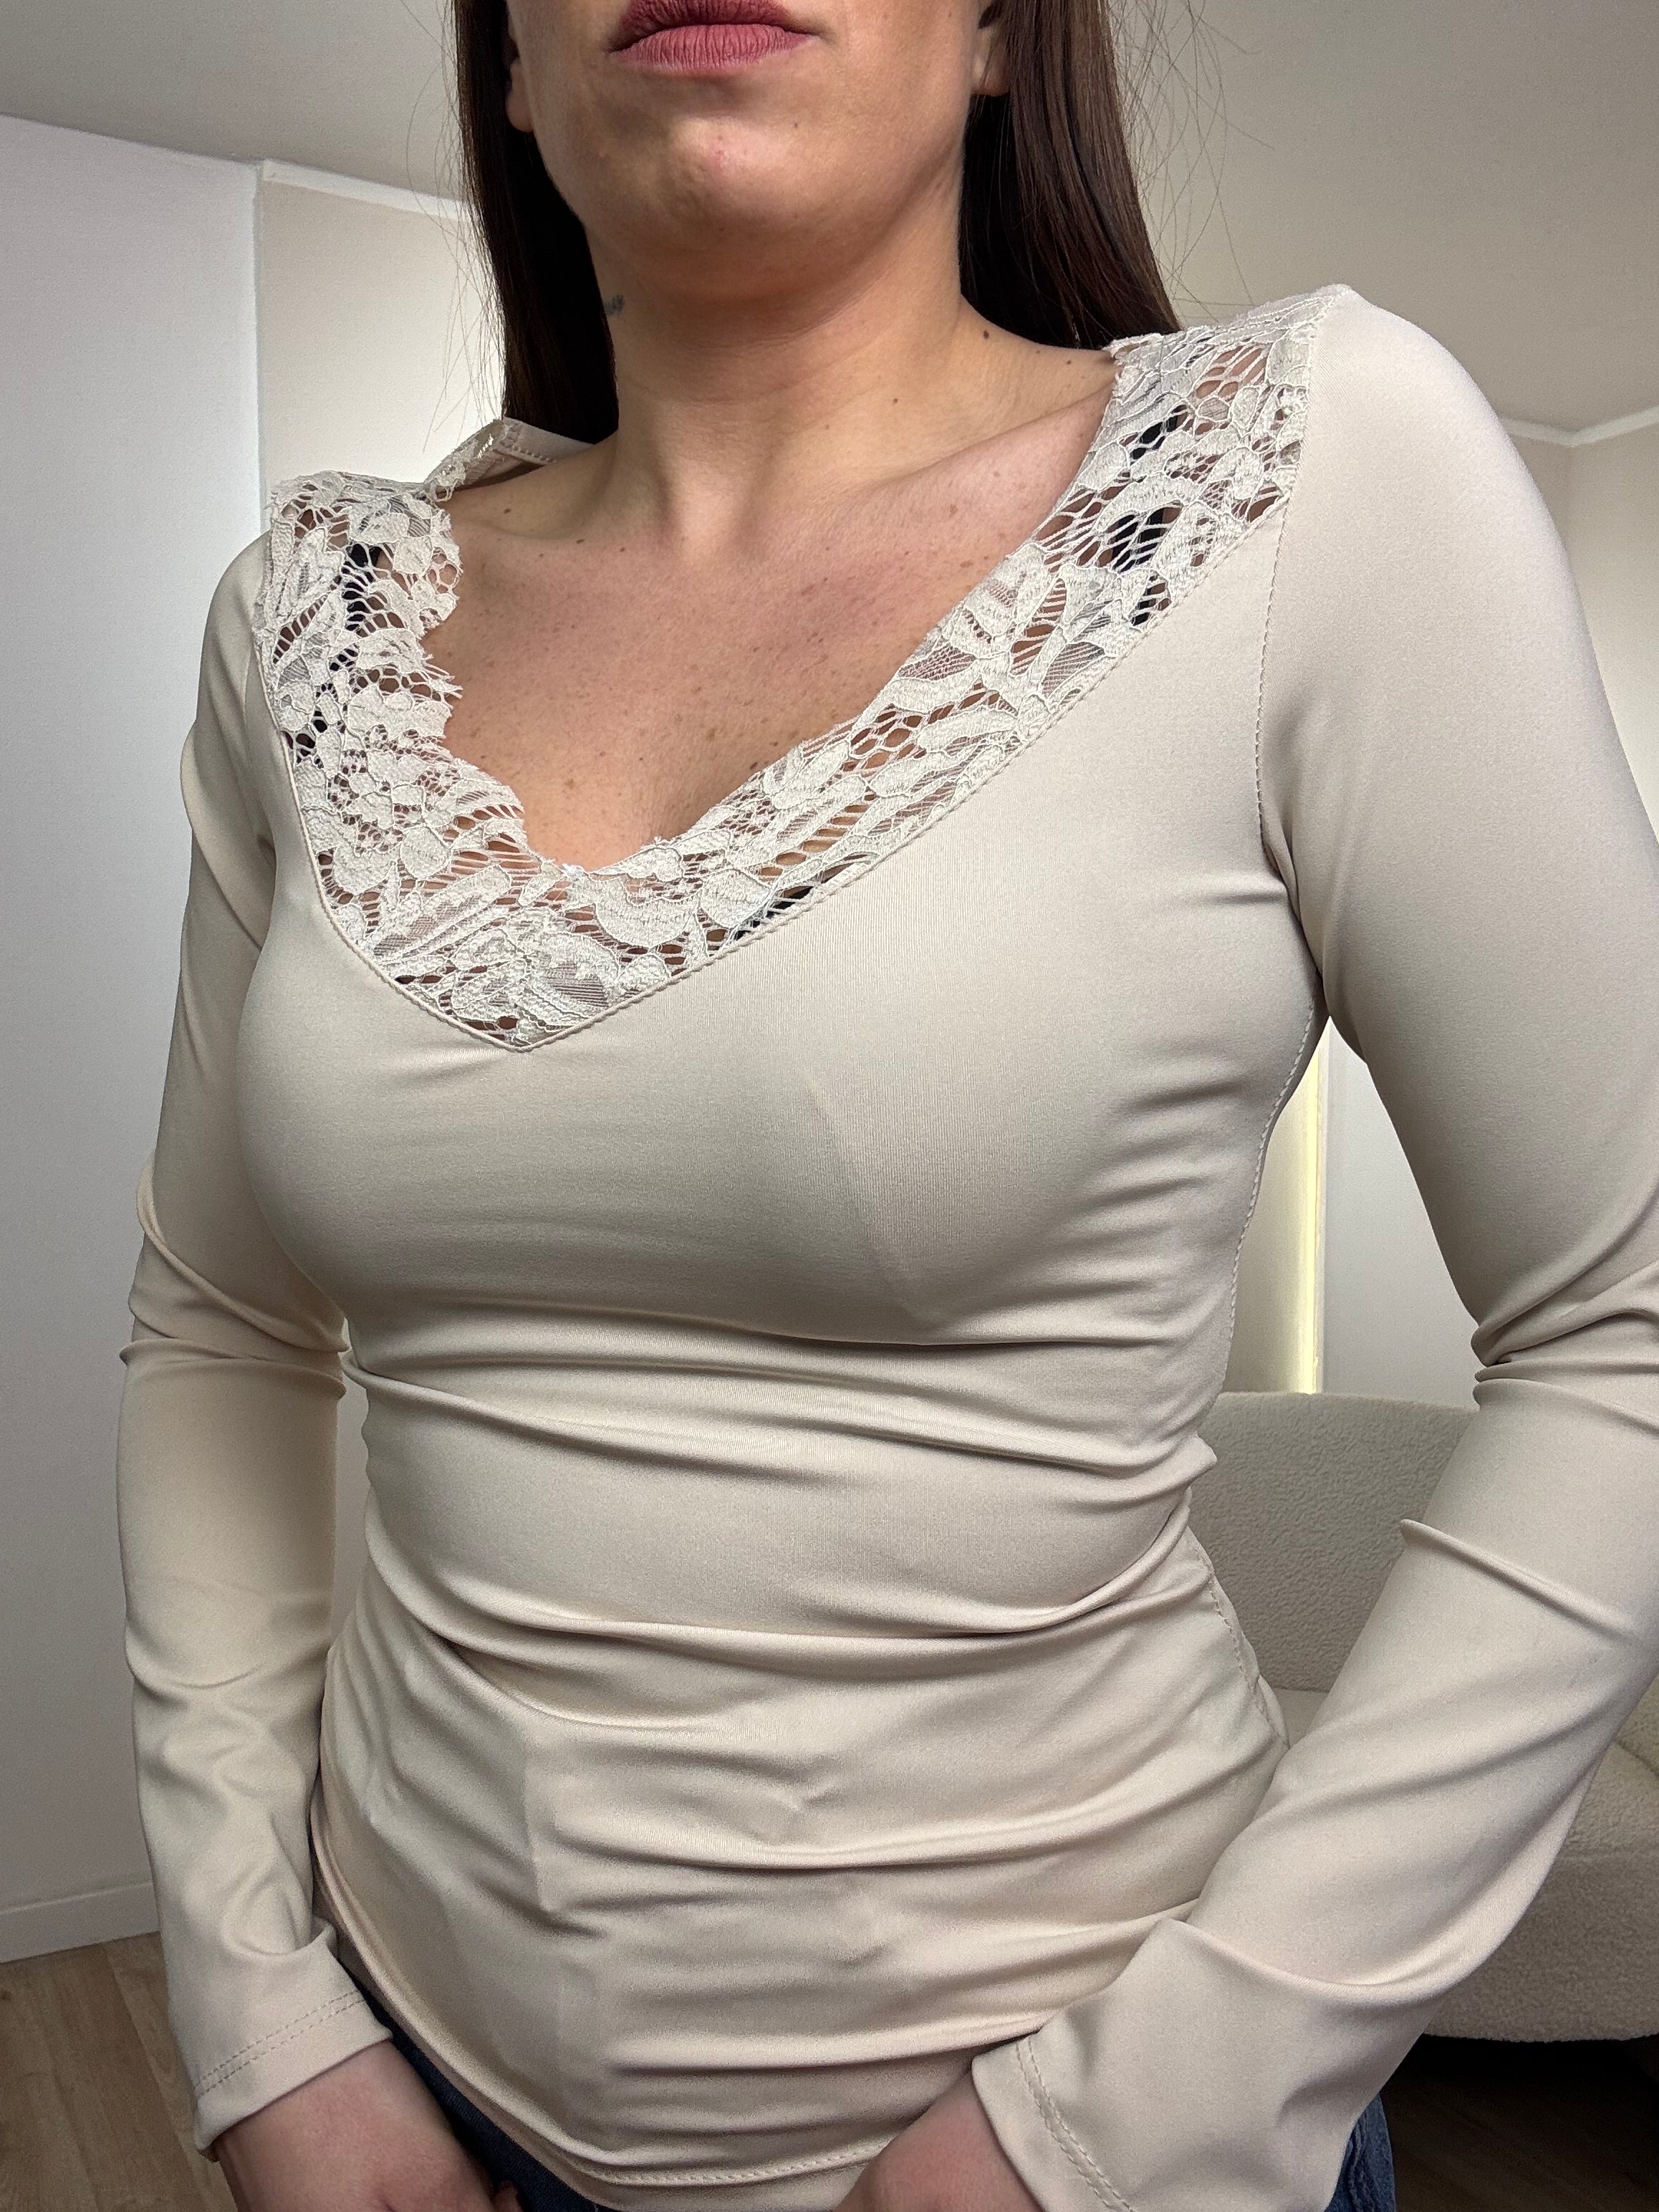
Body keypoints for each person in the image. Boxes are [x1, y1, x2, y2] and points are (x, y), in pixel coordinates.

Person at [112, 1, 1659, 2209]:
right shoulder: (306, 620)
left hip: (1091, 2138)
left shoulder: (1314, 472)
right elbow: (217, 1332)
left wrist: (1132, 2117)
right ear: (513, 62)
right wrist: (260, 2012)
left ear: (1003, 31)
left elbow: (1622, 1331)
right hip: (418, 2096)